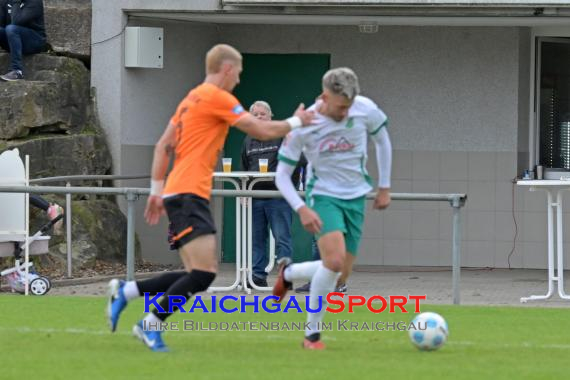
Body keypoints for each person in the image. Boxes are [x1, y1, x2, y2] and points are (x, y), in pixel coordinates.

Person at [106, 44, 314, 352]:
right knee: (204, 273)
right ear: (227, 69)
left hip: (181, 192)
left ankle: (128, 291)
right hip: (188, 194)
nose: (239, 80)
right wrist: (297, 121)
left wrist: (156, 190)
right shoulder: (218, 97)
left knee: (195, 274)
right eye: (239, 73)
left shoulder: (191, 99)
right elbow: (260, 129)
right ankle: (149, 323)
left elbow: (164, 145)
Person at [273, 67, 392, 350]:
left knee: (339, 274)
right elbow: (281, 175)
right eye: (340, 107)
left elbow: (383, 141)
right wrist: (301, 207)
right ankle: (311, 335)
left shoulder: (365, 109)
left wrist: (384, 187)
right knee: (334, 261)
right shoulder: (304, 123)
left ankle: (289, 274)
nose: (345, 113)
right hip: (323, 196)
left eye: (349, 106)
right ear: (325, 96)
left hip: (355, 198)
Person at [241, 100, 305, 288]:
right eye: (255, 115)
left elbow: (299, 159)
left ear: (271, 116)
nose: (259, 117)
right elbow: (244, 167)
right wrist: (244, 192)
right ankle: (257, 276)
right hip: (256, 196)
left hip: (279, 197)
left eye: (263, 114)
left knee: (282, 239)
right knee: (257, 239)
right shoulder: (248, 139)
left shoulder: (283, 135)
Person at [0, 0, 46, 81]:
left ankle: (16, 71)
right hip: (13, 40)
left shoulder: (34, 2)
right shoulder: (4, 1)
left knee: (11, 28)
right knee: (9, 29)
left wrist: (16, 1)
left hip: (34, 41)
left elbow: (17, 21)